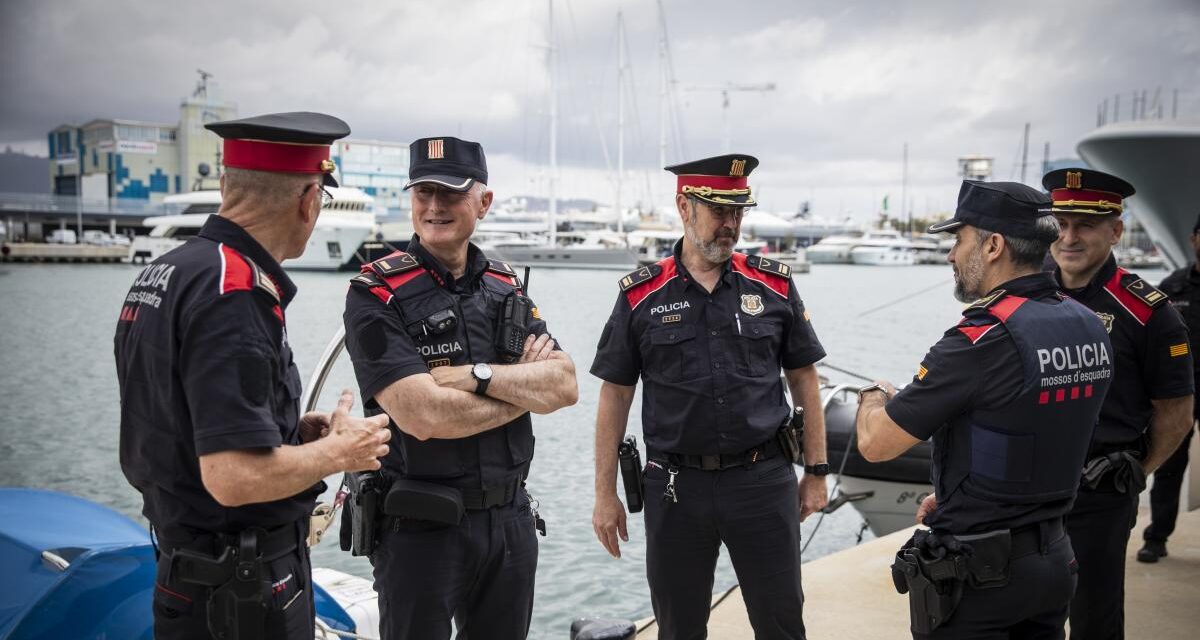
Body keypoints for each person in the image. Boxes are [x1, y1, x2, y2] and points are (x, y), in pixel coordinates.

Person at [115, 112, 392, 640]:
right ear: (310, 200)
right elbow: (233, 478)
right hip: (241, 593)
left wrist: (288, 433)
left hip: (185, 571)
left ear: (225, 186)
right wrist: (341, 453)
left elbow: (180, 420)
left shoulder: (168, 270)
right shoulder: (236, 293)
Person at [341, 136, 579, 640]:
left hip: (510, 521)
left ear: (483, 202)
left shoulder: (505, 286)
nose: (433, 206)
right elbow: (423, 417)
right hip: (420, 528)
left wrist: (479, 376)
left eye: (449, 193)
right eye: (422, 192)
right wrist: (520, 391)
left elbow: (564, 384)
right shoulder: (375, 294)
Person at [855, 180, 1115, 639]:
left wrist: (873, 395)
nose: (952, 255)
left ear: (993, 245)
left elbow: (876, 444)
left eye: (959, 240)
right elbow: (1036, 429)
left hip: (981, 577)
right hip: (1054, 556)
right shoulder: (1087, 324)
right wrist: (961, 494)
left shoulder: (980, 341)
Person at [591, 154, 829, 640]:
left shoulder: (773, 285)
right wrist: (604, 494)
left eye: (738, 212)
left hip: (763, 481)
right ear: (684, 206)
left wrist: (817, 473)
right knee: (678, 628)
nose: (731, 224)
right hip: (675, 488)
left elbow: (804, 378)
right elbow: (615, 394)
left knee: (782, 622)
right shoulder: (641, 296)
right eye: (719, 211)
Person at [1044, 168, 1195, 639]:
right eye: (1060, 224)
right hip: (1025, 485)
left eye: (1085, 225)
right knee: (1022, 612)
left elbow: (1177, 412)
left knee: (1094, 616)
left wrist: (1137, 472)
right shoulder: (1025, 294)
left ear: (1115, 231)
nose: (1069, 237)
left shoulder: (1149, 311)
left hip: (1099, 491)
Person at [1137, 214, 1200, 562]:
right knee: (1169, 467)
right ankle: (1156, 538)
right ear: (1193, 239)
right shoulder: (1172, 288)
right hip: (1181, 392)